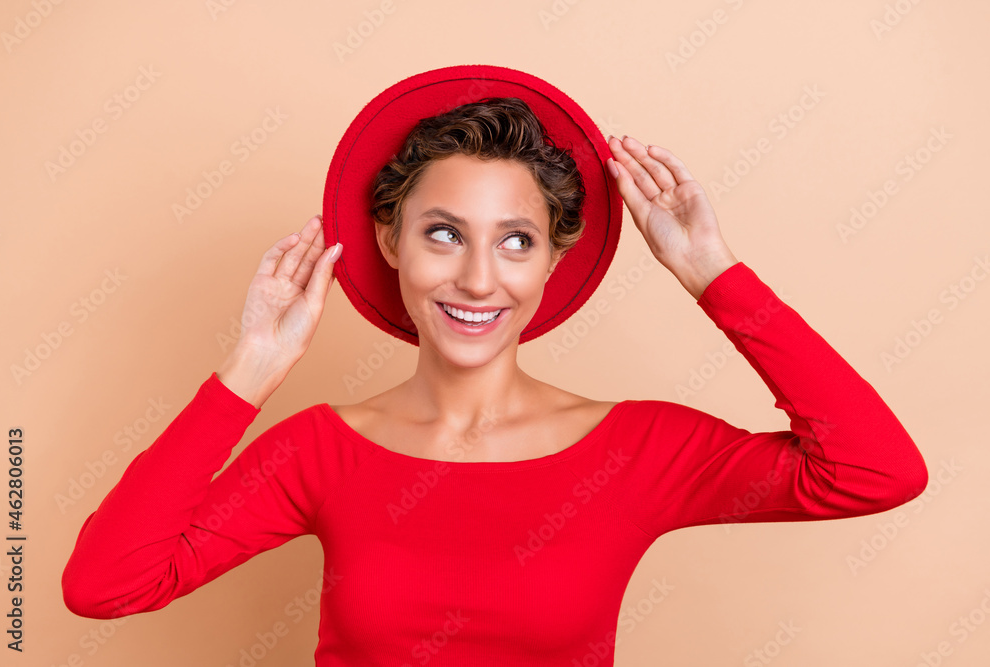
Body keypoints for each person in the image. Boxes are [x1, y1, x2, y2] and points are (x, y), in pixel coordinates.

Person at [62, 66, 928, 666]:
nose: (478, 279)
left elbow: (875, 470)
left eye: (516, 241)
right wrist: (248, 371)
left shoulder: (636, 451)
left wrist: (713, 273)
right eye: (443, 233)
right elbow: (105, 584)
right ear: (389, 241)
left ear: (553, 260)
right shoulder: (319, 451)